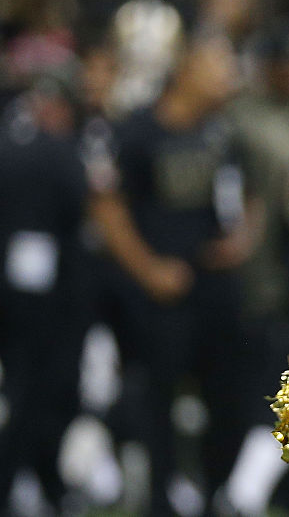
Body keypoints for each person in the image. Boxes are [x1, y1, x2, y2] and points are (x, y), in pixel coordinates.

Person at [89, 34, 252, 515]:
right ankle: (159, 494)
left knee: (231, 395)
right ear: (185, 70)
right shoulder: (139, 130)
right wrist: (147, 268)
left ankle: (212, 488)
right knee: (155, 397)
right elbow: (108, 208)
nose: (228, 76)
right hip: (160, 289)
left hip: (215, 287)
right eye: (217, 66)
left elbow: (247, 197)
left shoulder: (223, 132)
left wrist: (243, 237)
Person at [0, 67, 88, 514]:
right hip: (45, 295)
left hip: (21, 287)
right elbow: (80, 202)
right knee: (40, 391)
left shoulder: (11, 142)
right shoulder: (56, 151)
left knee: (26, 392)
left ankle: (34, 482)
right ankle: (30, 483)